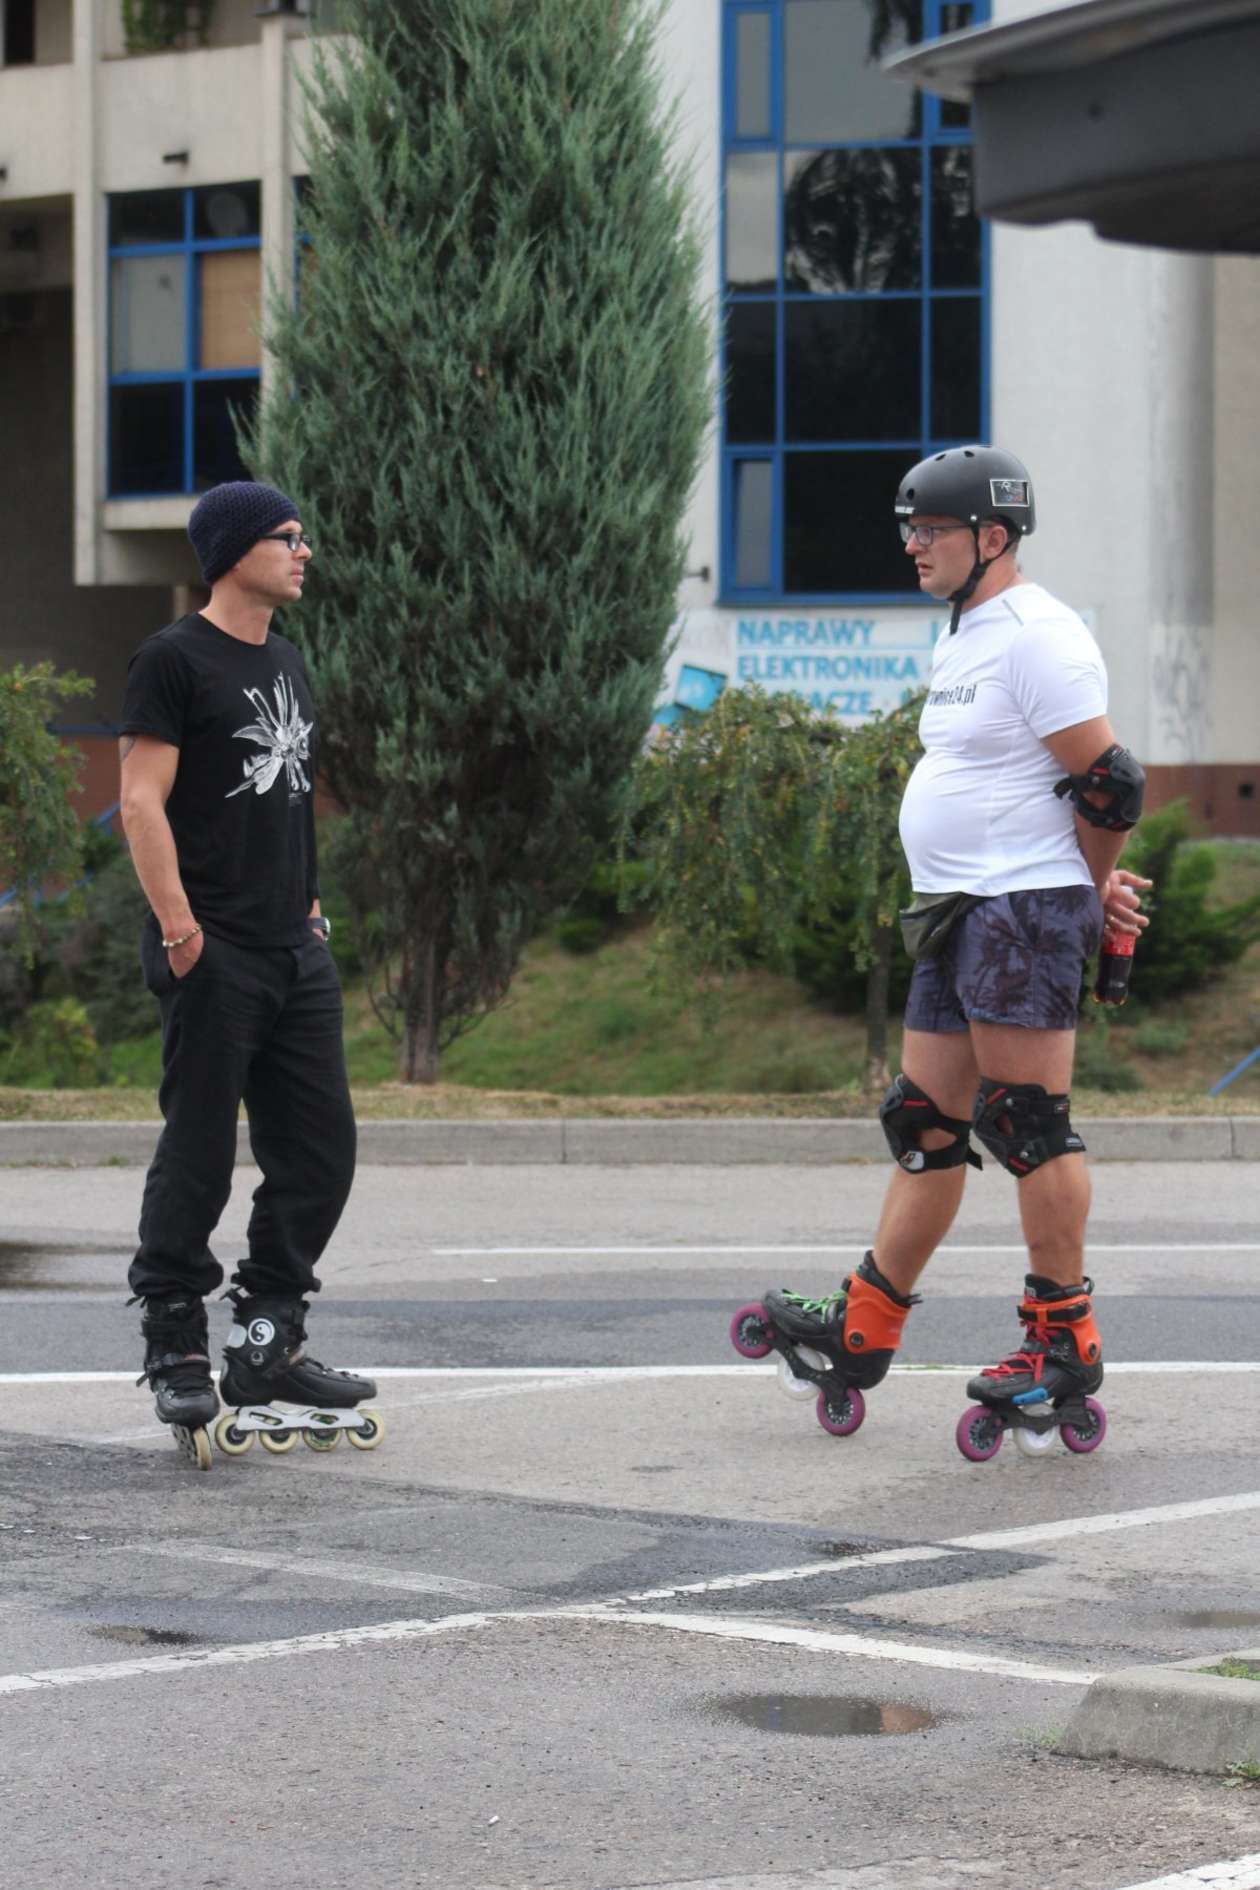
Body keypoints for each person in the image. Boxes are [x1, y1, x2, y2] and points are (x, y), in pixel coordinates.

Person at [758, 445, 1150, 1457]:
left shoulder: (1038, 635)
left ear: (993, 537)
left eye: (930, 529)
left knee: (1027, 1124)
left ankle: (1063, 1340)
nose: (912, 544)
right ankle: (866, 1321)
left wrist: (1089, 886)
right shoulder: (968, 630)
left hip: (1022, 910)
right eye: (909, 528)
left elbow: (1109, 785)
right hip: (958, 908)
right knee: (926, 1122)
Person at [118, 480, 374, 1463]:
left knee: (319, 1150)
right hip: (213, 949)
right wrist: (183, 931)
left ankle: (268, 1337)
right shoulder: (172, 660)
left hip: (291, 950)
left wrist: (308, 908)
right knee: (199, 1152)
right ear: (232, 552)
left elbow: (292, 800)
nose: (304, 551)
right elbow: (141, 804)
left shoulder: (289, 661)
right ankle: (175, 1341)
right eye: (286, 538)